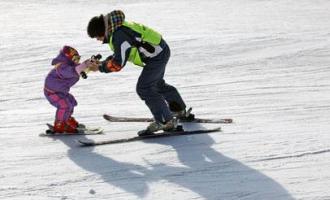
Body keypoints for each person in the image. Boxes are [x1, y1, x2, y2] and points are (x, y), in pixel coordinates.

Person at [87, 10, 194, 135]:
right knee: (157, 84)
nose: (98, 40)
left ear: (102, 31)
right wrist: (101, 63)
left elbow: (117, 64)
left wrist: (100, 68)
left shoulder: (119, 35)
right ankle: (178, 110)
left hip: (157, 56)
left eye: (97, 37)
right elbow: (120, 54)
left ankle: (166, 121)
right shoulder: (118, 29)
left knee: (144, 87)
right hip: (159, 52)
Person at [44, 46, 97, 133]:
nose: (77, 61)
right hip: (52, 92)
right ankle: (59, 125)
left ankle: (67, 120)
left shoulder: (70, 65)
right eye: (75, 59)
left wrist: (91, 65)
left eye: (78, 59)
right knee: (64, 105)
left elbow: (79, 69)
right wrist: (85, 64)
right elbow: (73, 71)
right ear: (68, 58)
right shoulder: (62, 67)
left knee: (71, 102)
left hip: (60, 91)